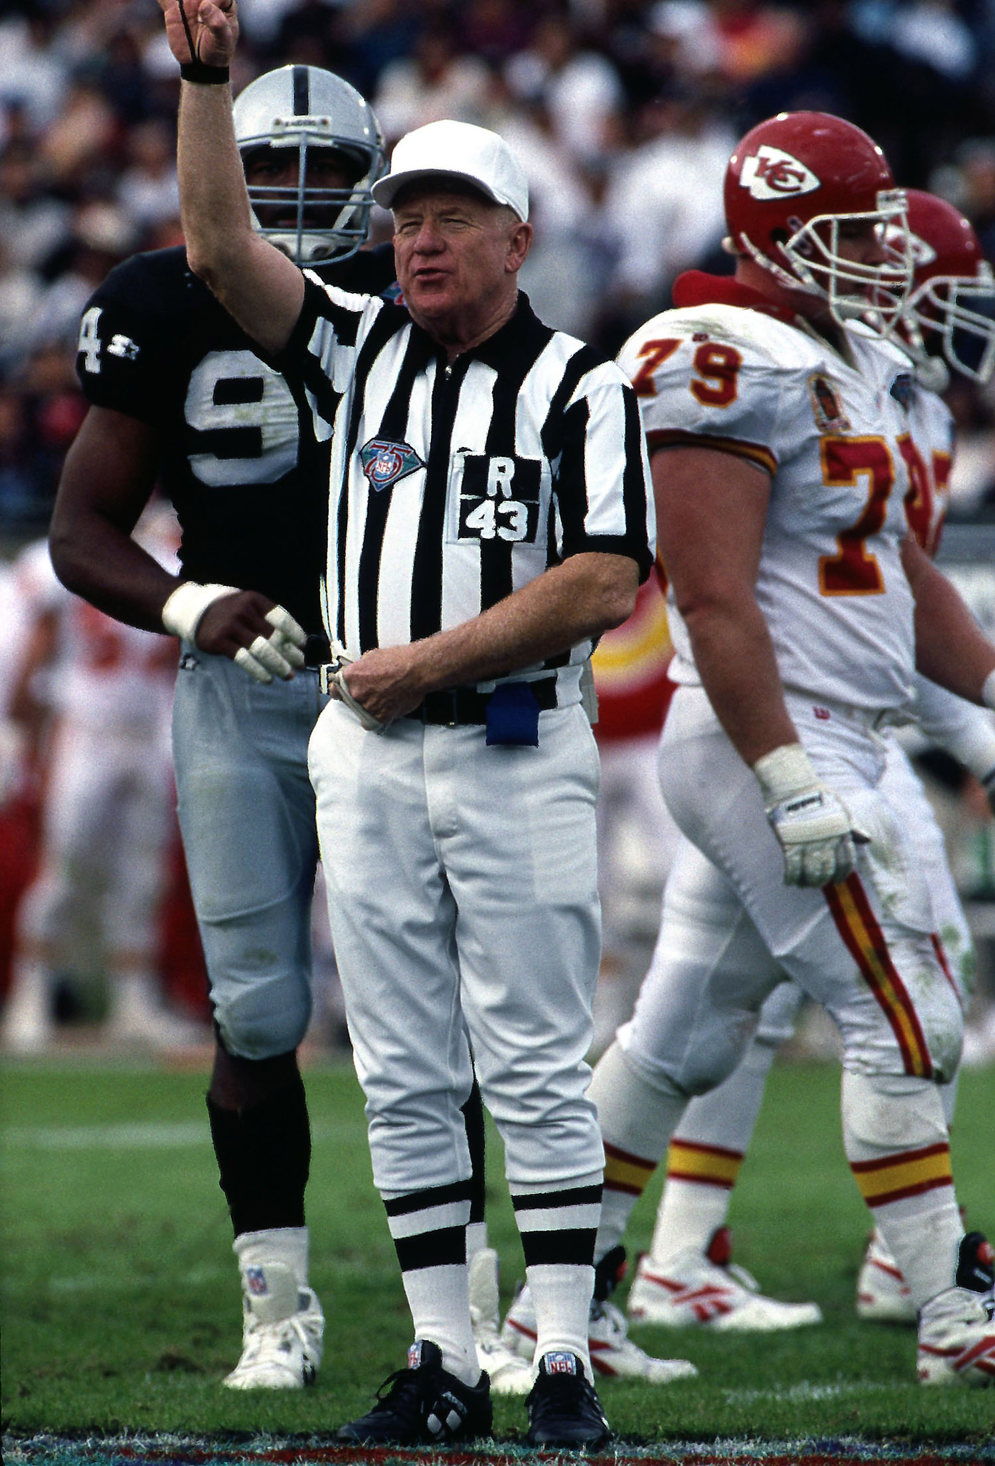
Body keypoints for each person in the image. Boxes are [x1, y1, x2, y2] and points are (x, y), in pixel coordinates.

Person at [150, 0, 656, 1447]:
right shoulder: (354, 345)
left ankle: (554, 1357)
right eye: (406, 216)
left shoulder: (582, 385)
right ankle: (440, 1352)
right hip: (363, 756)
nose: (420, 241)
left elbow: (601, 577)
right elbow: (219, 253)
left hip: (506, 741)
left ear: (517, 236)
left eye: (453, 216)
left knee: (533, 1055)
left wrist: (419, 655)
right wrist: (204, 86)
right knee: (402, 1063)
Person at [554, 111, 995, 1388]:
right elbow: (709, 594)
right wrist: (787, 773)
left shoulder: (836, 353)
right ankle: (948, 1309)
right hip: (770, 738)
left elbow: (905, 578)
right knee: (907, 1019)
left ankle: (545, 1305)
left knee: (679, 1041)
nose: (873, 254)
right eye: (848, 231)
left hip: (823, 729)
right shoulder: (716, 351)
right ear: (772, 229)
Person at [47, 60, 398, 1393]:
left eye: (327, 172)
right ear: (224, 177)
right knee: (256, 1010)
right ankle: (276, 1306)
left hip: (394, 681)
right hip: (239, 689)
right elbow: (85, 527)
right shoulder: (158, 302)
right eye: (275, 173)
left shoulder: (414, 299)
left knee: (431, 1013)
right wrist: (189, 600)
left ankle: (476, 1310)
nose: (303, 200)